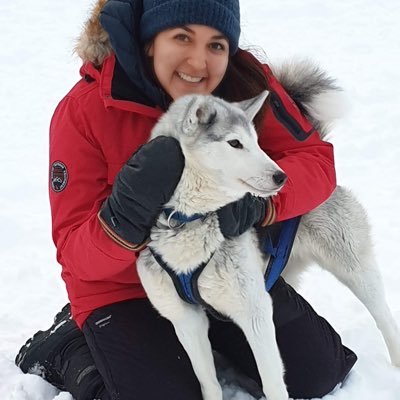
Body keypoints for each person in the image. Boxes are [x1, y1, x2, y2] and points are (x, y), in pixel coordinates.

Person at [15, 0, 357, 399]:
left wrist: (263, 206)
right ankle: (68, 343)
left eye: (216, 45)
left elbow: (314, 161)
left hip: (220, 265)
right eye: (182, 37)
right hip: (125, 288)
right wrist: (122, 221)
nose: (199, 63)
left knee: (318, 372)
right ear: (148, 42)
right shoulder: (86, 110)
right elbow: (75, 251)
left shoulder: (240, 85)